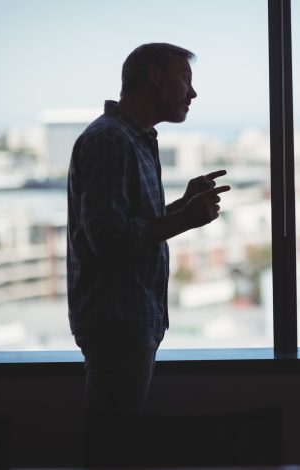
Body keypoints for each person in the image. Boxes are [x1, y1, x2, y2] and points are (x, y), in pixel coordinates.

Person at [67, 43, 230, 417]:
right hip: (117, 319)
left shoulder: (132, 138)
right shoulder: (111, 140)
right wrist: (185, 219)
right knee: (114, 439)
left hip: (126, 318)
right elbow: (108, 238)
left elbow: (129, 222)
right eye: (184, 79)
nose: (192, 92)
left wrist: (182, 206)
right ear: (154, 76)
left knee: (117, 435)